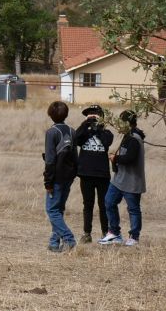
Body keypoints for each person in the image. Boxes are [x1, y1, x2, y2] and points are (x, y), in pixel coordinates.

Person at [100, 110, 146, 247]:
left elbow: (130, 158)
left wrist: (115, 158)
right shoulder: (127, 136)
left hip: (132, 181)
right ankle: (114, 233)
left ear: (127, 122)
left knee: (133, 209)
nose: (118, 124)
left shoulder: (135, 138)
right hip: (119, 179)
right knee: (109, 202)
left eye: (121, 121)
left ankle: (134, 236)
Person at [72, 104, 113, 243]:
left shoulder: (107, 133)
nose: (93, 117)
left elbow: (107, 142)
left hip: (102, 175)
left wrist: (99, 128)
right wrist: (86, 124)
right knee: (87, 205)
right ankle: (87, 233)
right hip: (86, 174)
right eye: (90, 115)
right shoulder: (84, 133)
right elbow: (75, 139)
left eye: (96, 115)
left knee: (104, 205)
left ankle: (106, 232)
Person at [42, 100, 78, 253]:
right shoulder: (72, 131)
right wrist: (73, 175)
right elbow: (75, 157)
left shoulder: (51, 132)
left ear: (50, 114)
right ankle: (54, 243)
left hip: (56, 178)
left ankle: (69, 240)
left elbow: (50, 160)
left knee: (52, 211)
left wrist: (48, 182)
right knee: (59, 209)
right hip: (68, 177)